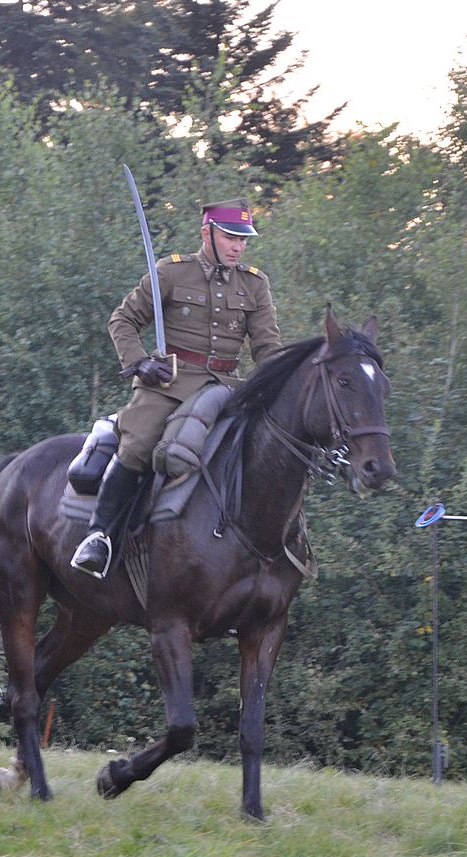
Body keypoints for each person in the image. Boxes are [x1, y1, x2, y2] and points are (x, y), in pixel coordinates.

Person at [70, 197, 284, 578]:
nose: (238, 246)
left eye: (243, 239)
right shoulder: (171, 273)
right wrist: (139, 361)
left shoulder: (255, 283)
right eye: (230, 237)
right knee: (139, 444)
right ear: (207, 234)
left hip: (228, 389)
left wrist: (278, 386)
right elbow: (122, 320)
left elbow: (268, 347)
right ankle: (98, 536)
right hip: (169, 385)